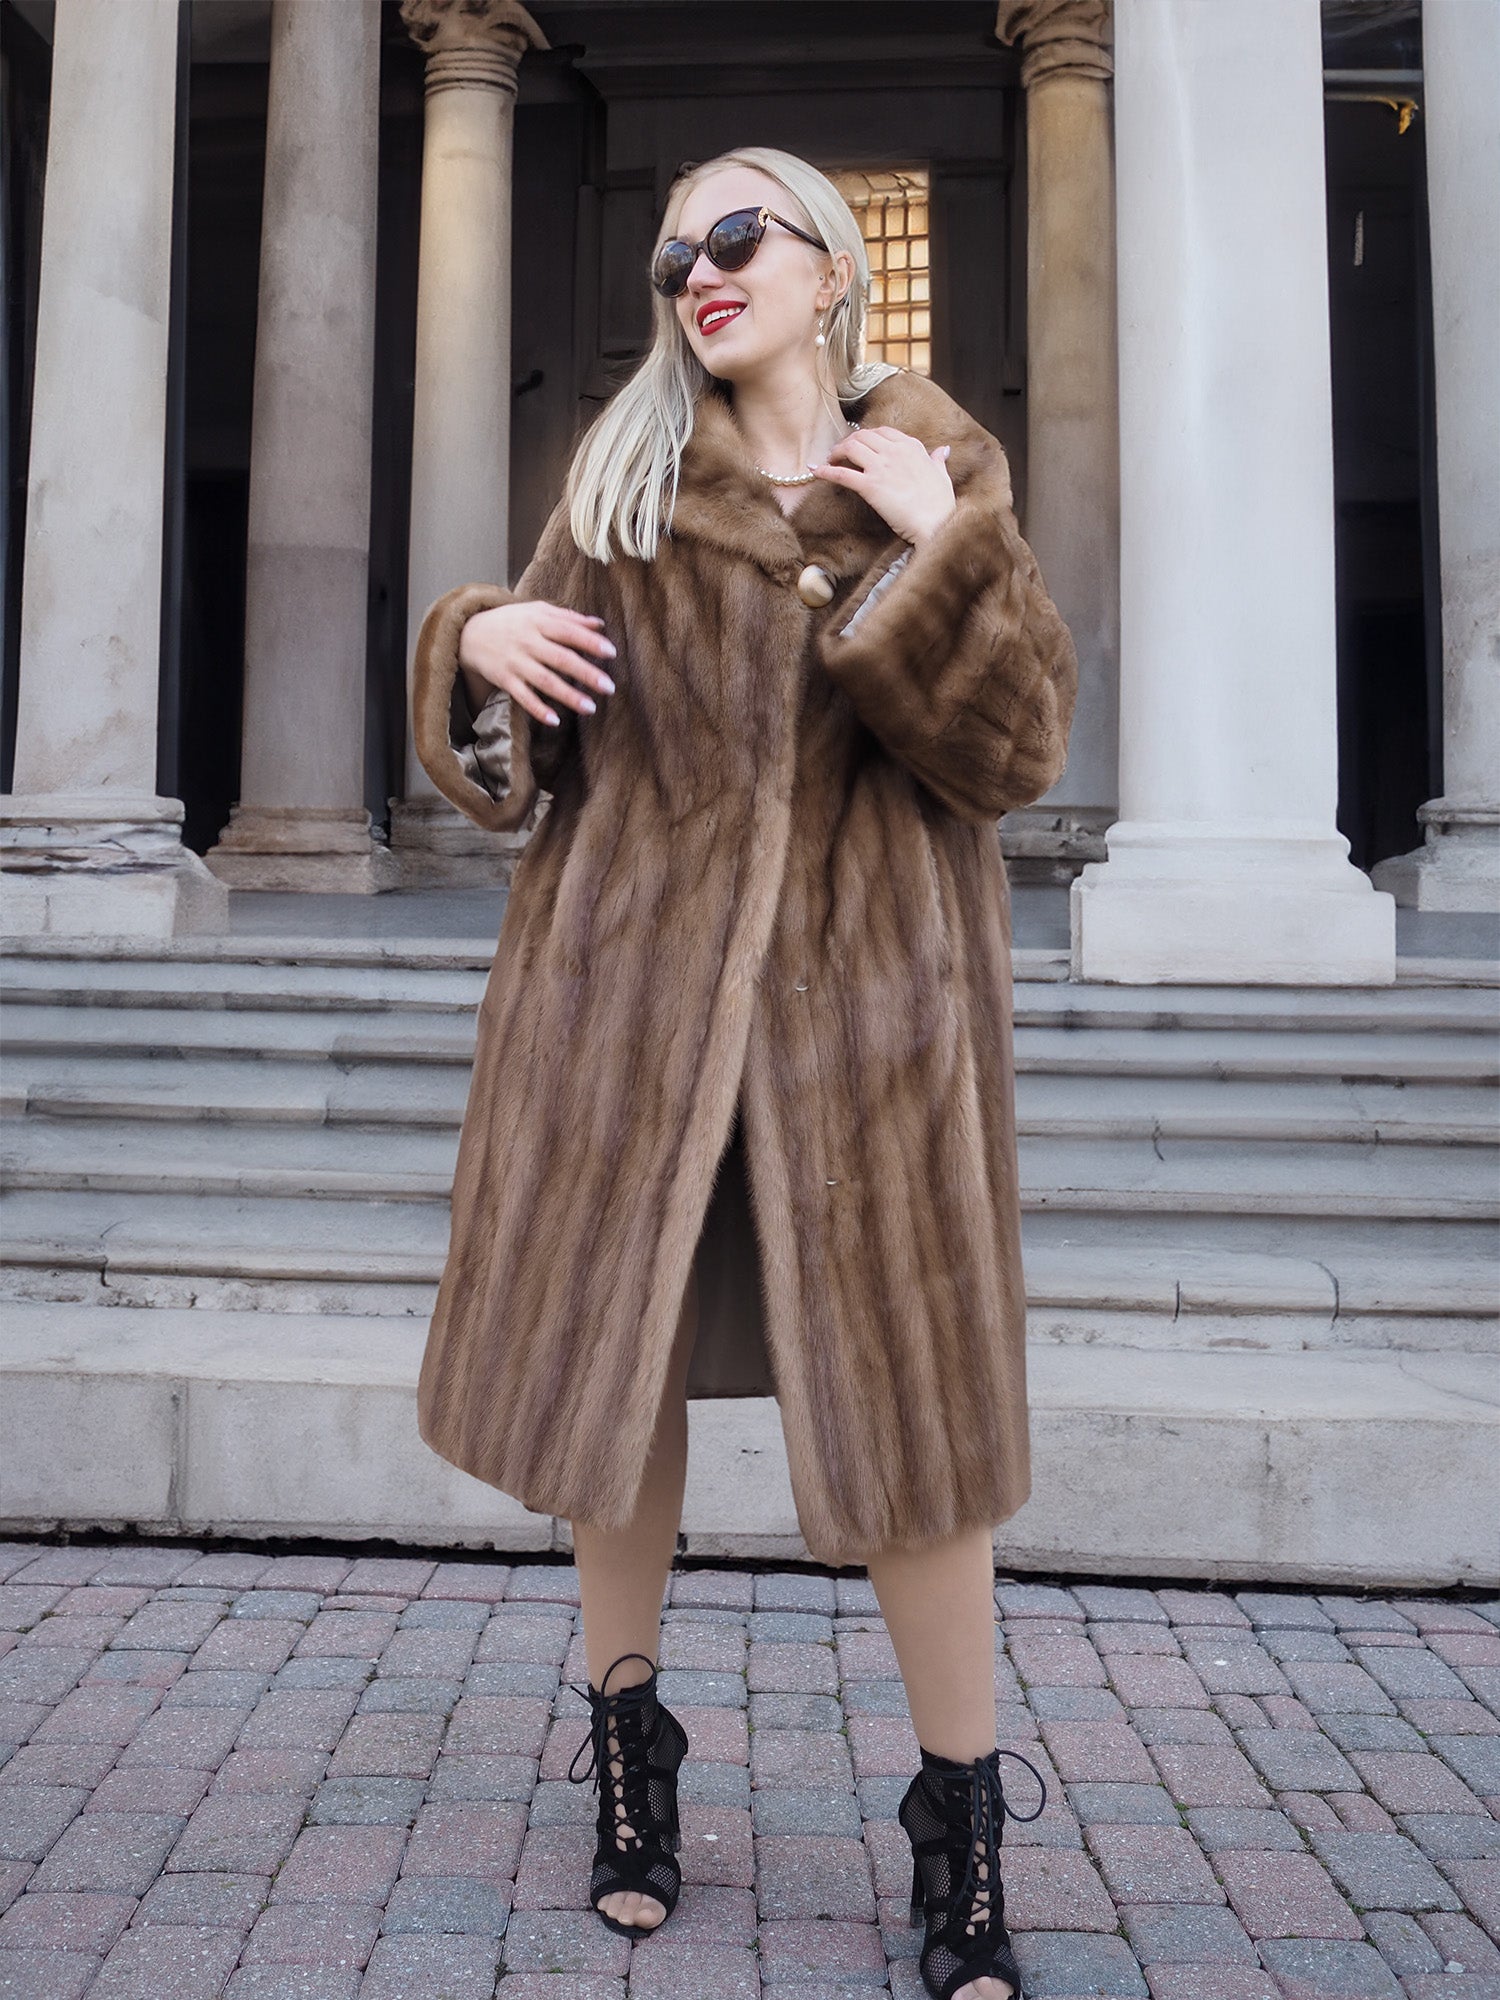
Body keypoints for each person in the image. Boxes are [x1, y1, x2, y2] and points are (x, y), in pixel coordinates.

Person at [410, 147, 1077, 2000]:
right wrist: (471, 639)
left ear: (828, 266)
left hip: (872, 1036)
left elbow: (1013, 757)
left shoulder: (941, 472)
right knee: (614, 1402)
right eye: (667, 252)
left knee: (921, 1436)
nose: (695, 273)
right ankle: (632, 1761)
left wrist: (938, 549)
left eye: (731, 239)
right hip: (629, 1023)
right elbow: (522, 743)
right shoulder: (622, 487)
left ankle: (960, 1825)